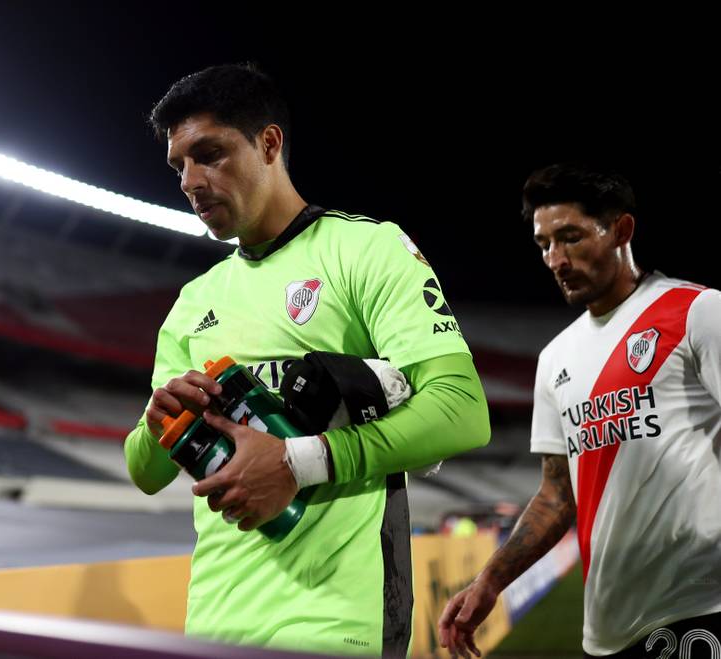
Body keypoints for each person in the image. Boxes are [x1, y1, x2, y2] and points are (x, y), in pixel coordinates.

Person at [124, 63, 490, 657]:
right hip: (215, 620)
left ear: (269, 144)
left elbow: (463, 410)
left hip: (333, 618)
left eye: (209, 155)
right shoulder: (194, 302)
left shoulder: (366, 249)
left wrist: (297, 461)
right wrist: (157, 422)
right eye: (178, 166)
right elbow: (146, 473)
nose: (190, 181)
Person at [438, 162, 721, 658]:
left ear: (621, 230)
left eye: (570, 237)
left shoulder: (697, 312)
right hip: (608, 625)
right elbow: (555, 496)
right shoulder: (555, 360)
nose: (555, 259)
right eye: (544, 244)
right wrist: (489, 582)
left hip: (700, 605)